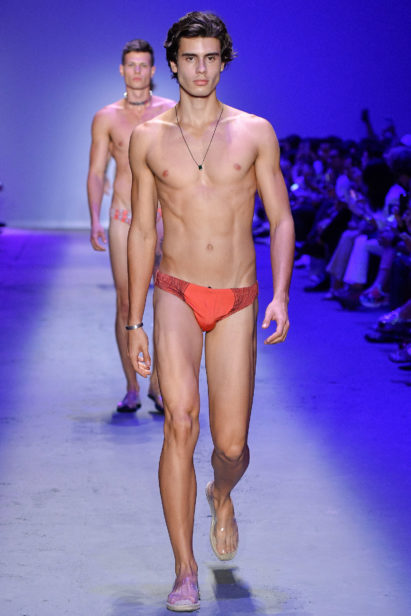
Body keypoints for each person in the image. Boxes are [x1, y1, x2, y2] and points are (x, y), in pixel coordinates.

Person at [126, 12, 294, 612]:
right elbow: (142, 231)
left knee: (230, 445)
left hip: (237, 299)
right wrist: (134, 320)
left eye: (211, 57)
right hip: (175, 291)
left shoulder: (255, 132)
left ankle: (221, 494)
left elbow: (280, 218)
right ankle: (185, 568)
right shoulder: (147, 138)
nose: (201, 69)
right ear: (173, 64)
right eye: (190, 58)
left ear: (224, 61)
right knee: (179, 422)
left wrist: (280, 294)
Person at [87, 39, 175, 412]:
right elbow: (96, 172)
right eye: (131, 65)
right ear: (122, 70)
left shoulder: (171, 111)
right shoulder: (106, 117)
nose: (137, 71)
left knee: (166, 303)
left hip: (164, 217)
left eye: (143, 65)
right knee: (126, 302)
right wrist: (94, 218)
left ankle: (157, 384)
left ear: (153, 71)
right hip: (123, 217)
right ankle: (132, 386)